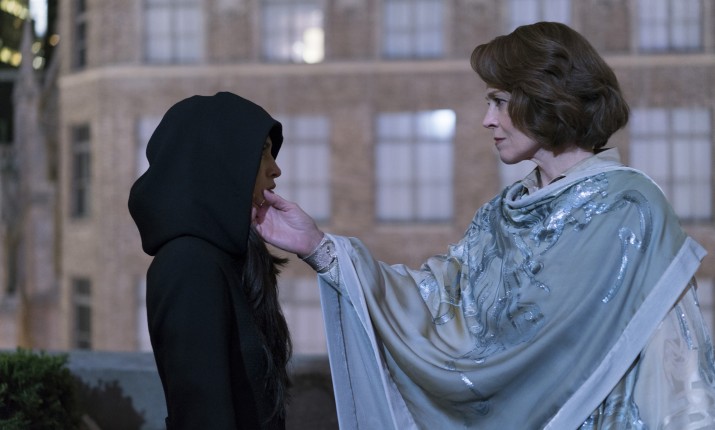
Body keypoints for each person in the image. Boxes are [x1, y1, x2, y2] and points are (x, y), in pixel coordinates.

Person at [254, 22, 715, 429]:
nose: (486, 120)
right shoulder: (501, 213)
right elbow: (435, 301)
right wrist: (319, 247)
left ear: (544, 98)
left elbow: (677, 357)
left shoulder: (631, 205)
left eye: (499, 102)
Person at [128, 92, 292, 429]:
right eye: (261, 151)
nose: (275, 168)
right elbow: (201, 413)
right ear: (220, 159)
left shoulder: (224, 257)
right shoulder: (188, 265)